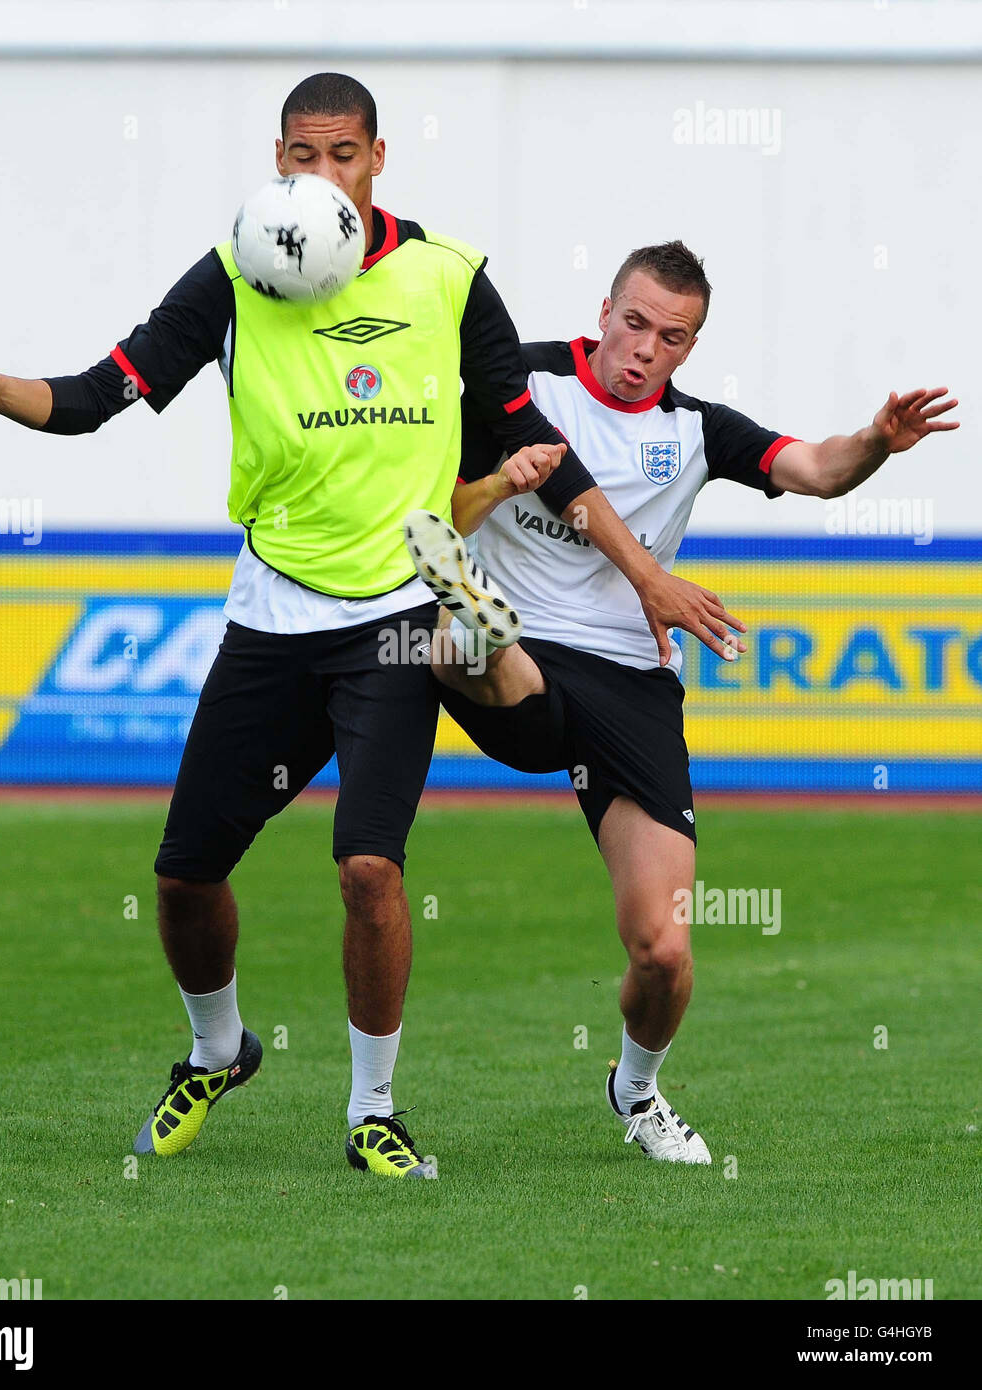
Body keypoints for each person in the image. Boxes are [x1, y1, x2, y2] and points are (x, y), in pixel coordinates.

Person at [0, 78, 737, 1178]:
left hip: (395, 618)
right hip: (270, 614)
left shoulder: (445, 277)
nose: (318, 175)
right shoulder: (233, 273)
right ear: (277, 156)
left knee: (368, 871)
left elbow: (526, 424)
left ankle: (372, 1110)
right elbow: (102, 390)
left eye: (340, 153)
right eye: (300, 154)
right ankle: (217, 1047)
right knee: (184, 877)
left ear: (376, 158)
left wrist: (640, 575)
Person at [404, 240, 958, 1163]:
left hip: (631, 681)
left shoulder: (698, 431)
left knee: (664, 951)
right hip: (530, 653)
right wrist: (503, 483)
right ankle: (472, 623)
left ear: (689, 348)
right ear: (605, 310)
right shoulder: (520, 386)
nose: (644, 349)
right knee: (473, 649)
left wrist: (877, 442)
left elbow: (816, 469)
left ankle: (636, 1089)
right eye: (633, 324)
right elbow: (433, 516)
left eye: (671, 337)